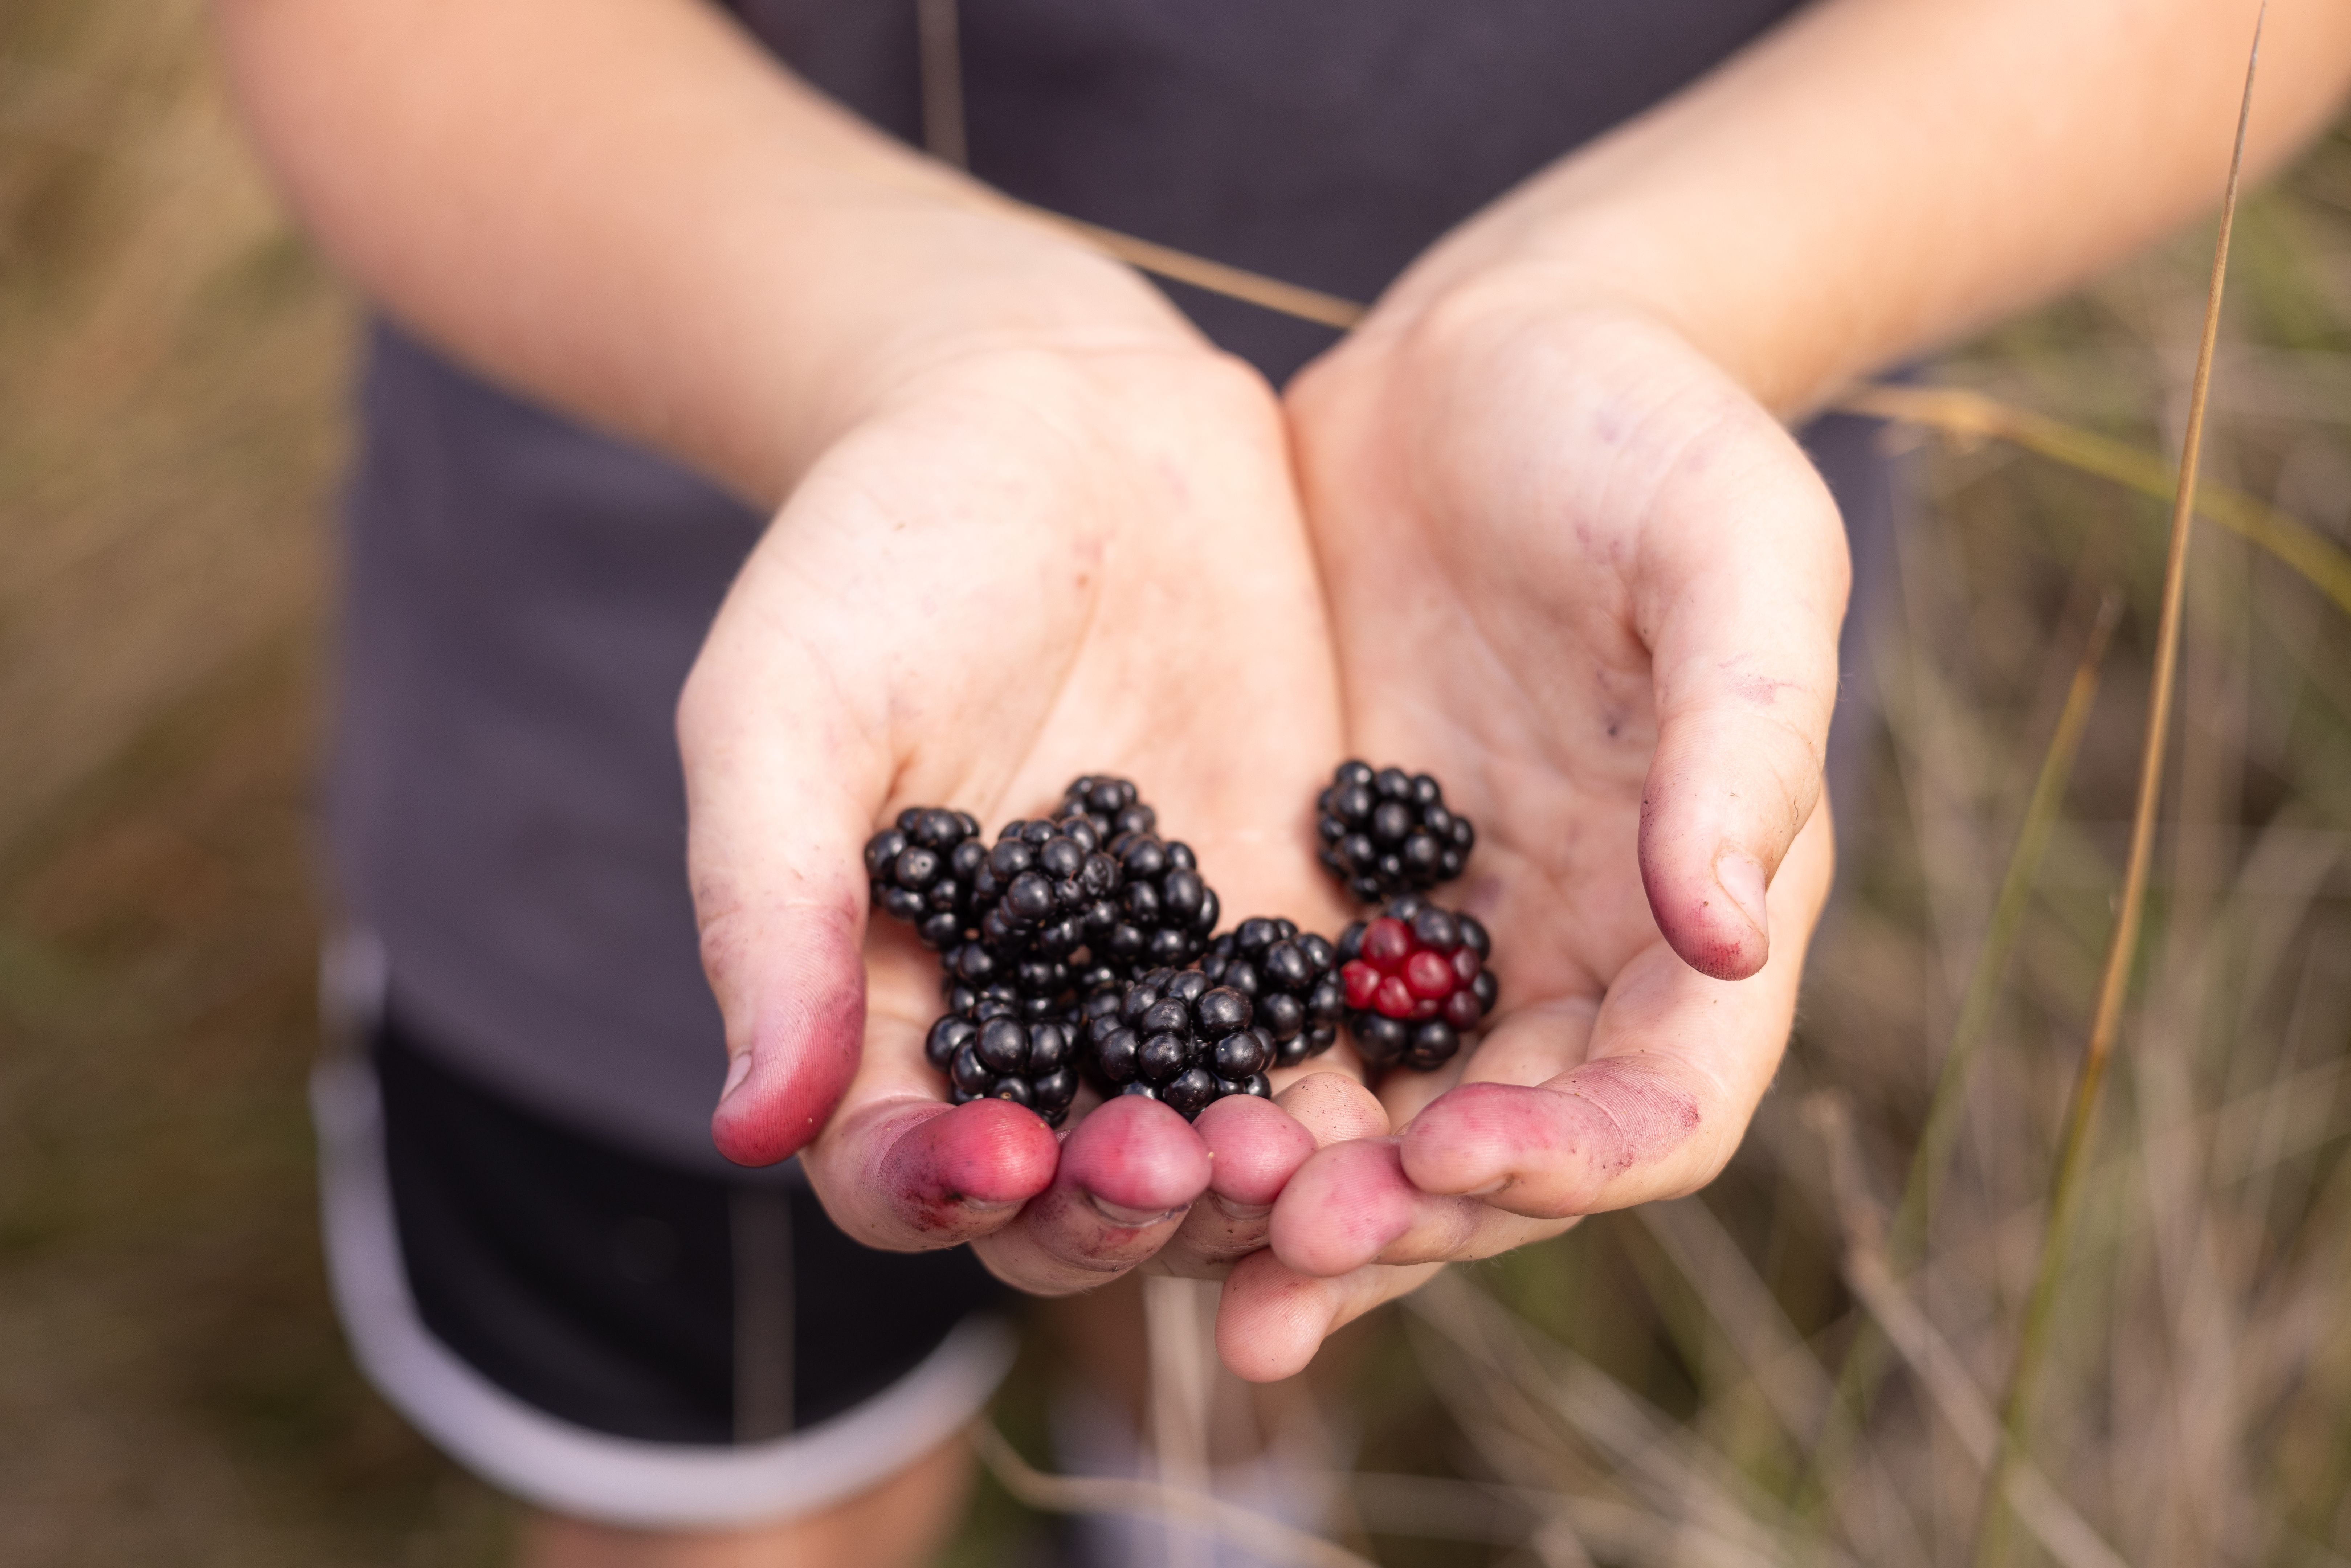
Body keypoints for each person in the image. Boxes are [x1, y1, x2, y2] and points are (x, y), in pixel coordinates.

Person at [212, 0, 2351, 1563]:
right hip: (638, 780)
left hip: (1564, 656)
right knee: (752, 1476)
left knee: (1225, 1259)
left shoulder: (1393, 903)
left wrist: (1637, 299)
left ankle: (1189, 1499)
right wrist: (937, 353)